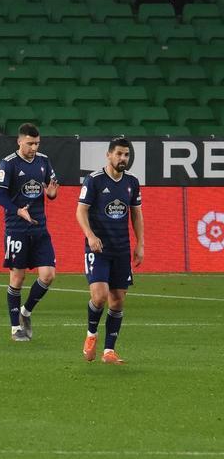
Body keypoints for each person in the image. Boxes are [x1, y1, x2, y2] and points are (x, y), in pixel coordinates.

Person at [76, 137, 144, 365]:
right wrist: (90, 236)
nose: (123, 158)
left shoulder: (132, 182)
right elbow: (81, 212)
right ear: (109, 155)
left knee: (117, 301)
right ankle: (91, 335)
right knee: (100, 296)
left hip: (121, 249)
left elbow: (136, 214)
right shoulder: (94, 180)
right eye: (119, 154)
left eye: (126, 155)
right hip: (98, 249)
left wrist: (140, 244)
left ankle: (109, 351)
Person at [0, 123, 59, 342]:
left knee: (48, 275)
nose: (34, 147)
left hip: (40, 228)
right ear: (19, 141)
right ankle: (15, 328)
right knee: (17, 277)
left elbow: (50, 190)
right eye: (30, 143)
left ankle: (26, 311)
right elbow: (0, 197)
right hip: (16, 228)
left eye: (37, 143)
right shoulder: (8, 163)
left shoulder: (44, 161)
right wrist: (17, 211)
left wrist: (51, 194)